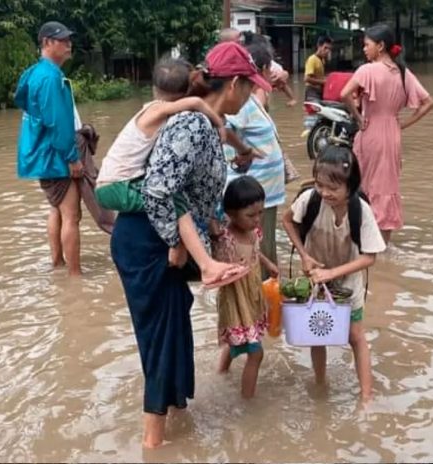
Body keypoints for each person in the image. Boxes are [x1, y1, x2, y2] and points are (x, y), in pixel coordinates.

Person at [110, 41, 271, 448]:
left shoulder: (207, 124)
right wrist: (179, 247)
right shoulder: (192, 124)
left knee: (178, 320)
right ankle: (153, 444)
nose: (251, 95)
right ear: (233, 83)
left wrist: (216, 228)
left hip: (162, 234)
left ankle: (181, 421)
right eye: (249, 87)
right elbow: (159, 191)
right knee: (162, 338)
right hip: (149, 241)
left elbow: (191, 194)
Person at [96, 58, 239, 287]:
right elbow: (196, 103)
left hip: (113, 184)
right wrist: (219, 123)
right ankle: (204, 265)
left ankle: (200, 258)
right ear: (185, 92)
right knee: (173, 198)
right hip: (115, 186)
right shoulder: (159, 110)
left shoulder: (155, 111)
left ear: (154, 88)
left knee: (172, 195)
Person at [282, 145, 386, 401]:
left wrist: (333, 273)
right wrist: (305, 256)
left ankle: (366, 397)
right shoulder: (310, 200)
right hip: (315, 281)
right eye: (320, 185)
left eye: (333, 188)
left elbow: (369, 257)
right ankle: (320, 384)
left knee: (355, 336)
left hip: (349, 282)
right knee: (317, 332)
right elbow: (287, 220)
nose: (325, 193)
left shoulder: (360, 211)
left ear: (350, 186)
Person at [340, 24, 433, 245]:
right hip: (392, 133)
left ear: (380, 46)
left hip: (370, 130)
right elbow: (429, 103)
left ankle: (362, 240)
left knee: (364, 182)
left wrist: (357, 116)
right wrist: (403, 124)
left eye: (367, 45)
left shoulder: (367, 70)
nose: (364, 49)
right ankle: (383, 245)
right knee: (387, 185)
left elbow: (344, 93)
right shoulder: (403, 72)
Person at [15, 21, 84, 276]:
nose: (69, 46)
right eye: (63, 41)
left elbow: (22, 101)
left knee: (56, 208)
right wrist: (72, 157)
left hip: (41, 153)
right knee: (71, 215)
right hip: (55, 156)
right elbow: (57, 122)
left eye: (69, 40)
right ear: (46, 43)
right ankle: (75, 277)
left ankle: (58, 263)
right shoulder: (51, 77)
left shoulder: (33, 73)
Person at [223, 41, 287, 278]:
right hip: (253, 195)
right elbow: (224, 130)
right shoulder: (242, 105)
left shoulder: (252, 101)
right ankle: (260, 301)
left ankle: (265, 299)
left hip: (264, 194)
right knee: (256, 250)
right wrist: (244, 150)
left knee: (264, 248)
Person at [214, 177, 279, 399]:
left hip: (251, 296)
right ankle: (247, 401)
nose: (257, 219)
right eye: (250, 215)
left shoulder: (253, 231)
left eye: (260, 213)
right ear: (231, 214)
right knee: (256, 354)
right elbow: (218, 268)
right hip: (236, 300)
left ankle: (221, 373)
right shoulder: (227, 239)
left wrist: (268, 264)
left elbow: (254, 251)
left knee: (236, 344)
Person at [221, 28, 297, 107]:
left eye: (241, 41)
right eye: (238, 41)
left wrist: (284, 73)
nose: (241, 42)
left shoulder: (251, 54)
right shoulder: (232, 63)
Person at [304, 36, 333, 101]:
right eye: (325, 48)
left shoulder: (322, 60)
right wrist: (323, 82)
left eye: (329, 49)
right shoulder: (312, 59)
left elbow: (319, 76)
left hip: (319, 91)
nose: (327, 51)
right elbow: (307, 78)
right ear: (319, 46)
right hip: (312, 91)